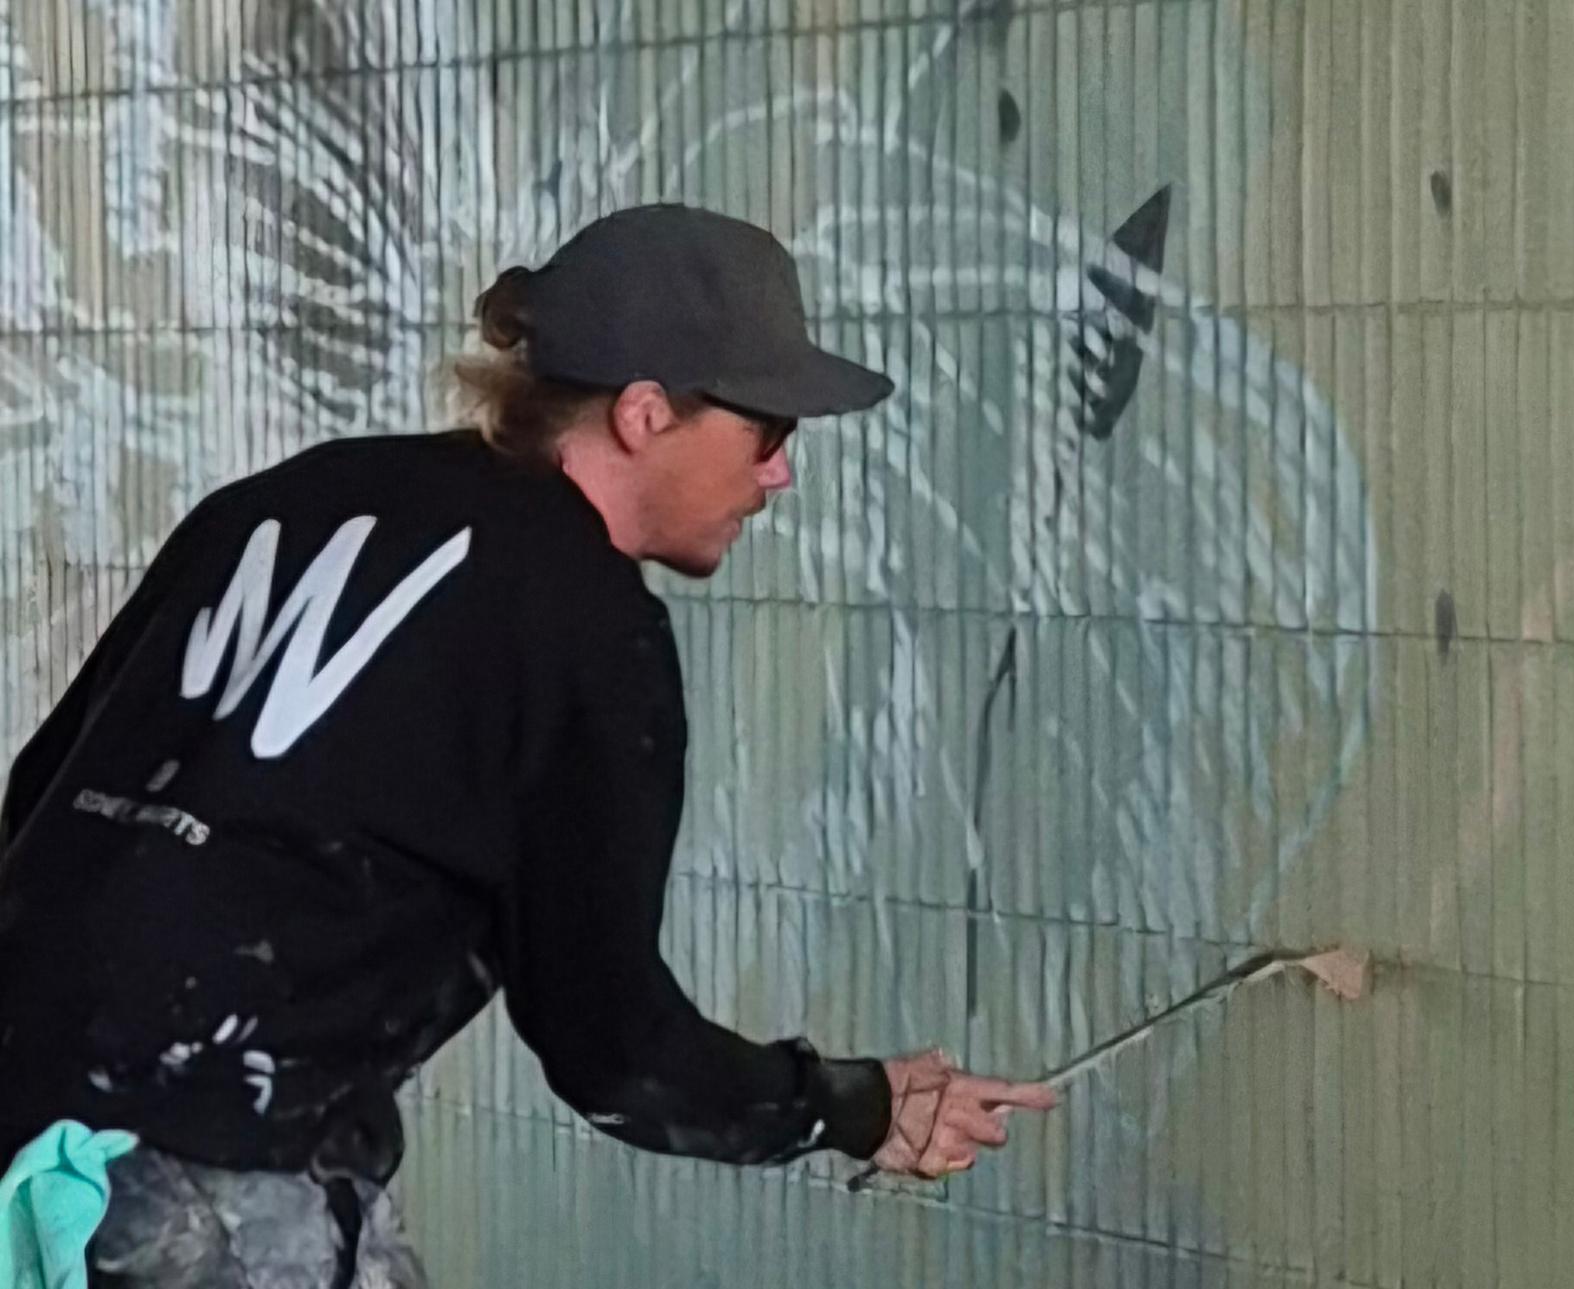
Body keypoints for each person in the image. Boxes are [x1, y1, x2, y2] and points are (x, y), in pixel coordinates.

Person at [0, 203, 1058, 1287]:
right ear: (645, 413)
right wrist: (847, 1103)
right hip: (210, 1162)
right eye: (769, 432)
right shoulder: (585, 619)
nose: (778, 475)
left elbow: (44, 792)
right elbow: (615, 1051)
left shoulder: (286, 499)